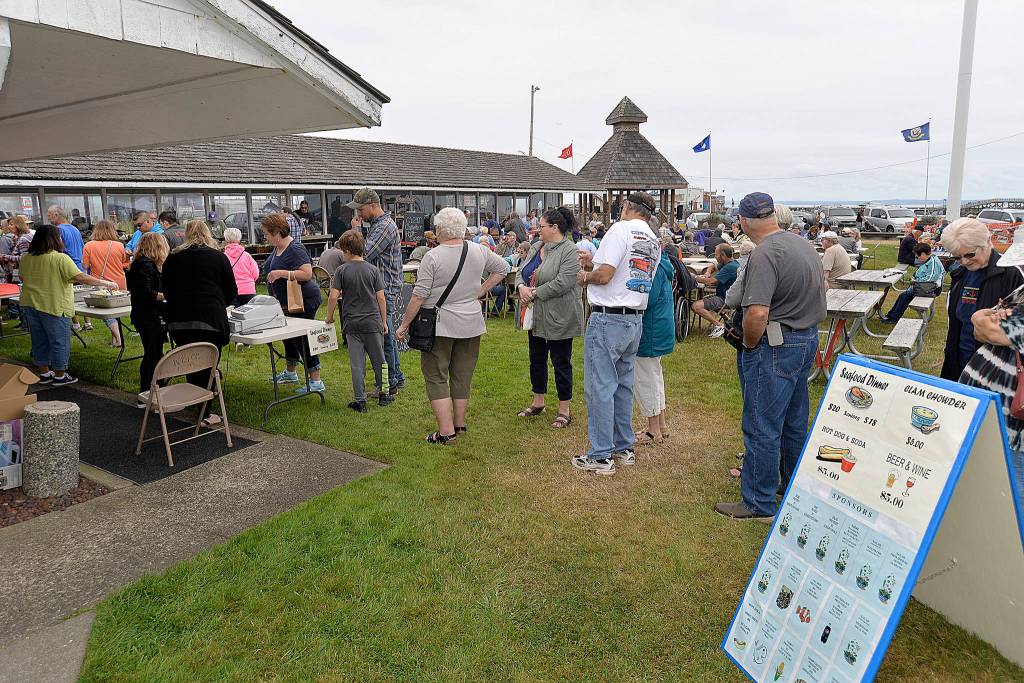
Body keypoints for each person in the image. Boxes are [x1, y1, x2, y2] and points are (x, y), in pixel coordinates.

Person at [715, 192, 826, 520]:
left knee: (761, 423)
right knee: (793, 421)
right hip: (807, 338)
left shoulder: (765, 253)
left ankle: (758, 502)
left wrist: (749, 344)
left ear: (744, 221)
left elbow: (757, 313)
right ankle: (789, 486)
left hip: (776, 343)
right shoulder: (803, 244)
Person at [395, 207, 509, 445]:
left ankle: (446, 432)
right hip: (471, 322)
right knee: (462, 375)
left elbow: (419, 295)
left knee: (436, 375)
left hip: (440, 324)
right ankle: (459, 424)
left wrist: (404, 324)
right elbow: (503, 269)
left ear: (441, 230)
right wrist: (479, 291)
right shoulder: (479, 250)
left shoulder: (433, 256)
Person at [573, 192, 661, 475]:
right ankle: (623, 448)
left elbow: (605, 276)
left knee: (600, 386)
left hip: (609, 318)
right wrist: (594, 262)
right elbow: (625, 272)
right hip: (634, 319)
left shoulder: (620, 229)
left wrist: (584, 275)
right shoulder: (652, 239)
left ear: (626, 208)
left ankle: (600, 456)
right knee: (623, 385)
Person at [962, 231, 1024, 500]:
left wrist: (981, 315)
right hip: (997, 414)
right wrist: (985, 318)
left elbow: (991, 330)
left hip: (1013, 427)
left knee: (1012, 495)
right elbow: (983, 328)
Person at [17, 224, 118, 386]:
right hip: (54, 304)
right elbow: (80, 277)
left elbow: (22, 277)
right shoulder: (59, 258)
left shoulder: (26, 258)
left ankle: (44, 373)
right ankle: (60, 375)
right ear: (56, 239)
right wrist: (105, 283)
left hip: (30, 304)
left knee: (39, 339)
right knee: (59, 341)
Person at [514, 207, 584, 429]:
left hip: (560, 316)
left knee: (561, 362)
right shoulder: (536, 247)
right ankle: (538, 402)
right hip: (536, 315)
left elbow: (564, 282)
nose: (537, 230)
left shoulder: (570, 251)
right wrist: (521, 286)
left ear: (554, 228)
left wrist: (533, 293)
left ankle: (564, 410)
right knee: (536, 358)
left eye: (541, 226)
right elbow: (520, 270)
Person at [162, 221, 237, 424]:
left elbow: (166, 289)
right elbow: (232, 291)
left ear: (186, 235)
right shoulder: (218, 257)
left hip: (179, 320)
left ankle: (195, 401)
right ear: (208, 233)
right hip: (210, 320)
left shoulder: (173, 257)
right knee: (208, 366)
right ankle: (205, 412)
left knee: (189, 362)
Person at [939, 218, 1024, 381]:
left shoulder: (1012, 273)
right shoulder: (961, 273)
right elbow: (955, 322)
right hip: (960, 359)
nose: (964, 261)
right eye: (957, 257)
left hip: (997, 370)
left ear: (987, 242)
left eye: (970, 254)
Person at [324, 230, 392, 412]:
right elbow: (381, 298)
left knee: (357, 363)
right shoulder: (373, 270)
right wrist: (384, 321)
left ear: (346, 250)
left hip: (352, 324)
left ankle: (360, 400)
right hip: (373, 322)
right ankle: (385, 392)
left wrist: (329, 317)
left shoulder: (341, 271)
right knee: (380, 361)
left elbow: (333, 297)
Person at [349, 188, 405, 396]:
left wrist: (354, 233)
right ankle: (396, 378)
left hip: (384, 290)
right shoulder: (378, 225)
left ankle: (388, 385)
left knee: (384, 339)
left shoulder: (383, 227)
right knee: (387, 336)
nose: (358, 215)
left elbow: (363, 253)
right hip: (384, 288)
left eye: (360, 210)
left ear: (373, 206)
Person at [260, 213, 324, 393]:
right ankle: (291, 371)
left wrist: (281, 273)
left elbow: (307, 273)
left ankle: (316, 380)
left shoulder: (295, 248)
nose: (264, 237)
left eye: (266, 233)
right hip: (285, 303)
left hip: (304, 300)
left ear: (277, 233)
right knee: (289, 337)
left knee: (303, 339)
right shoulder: (277, 247)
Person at [633, 247, 676, 444]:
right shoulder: (662, 263)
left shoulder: (653, 267)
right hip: (659, 325)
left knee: (645, 379)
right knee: (655, 375)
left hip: (651, 328)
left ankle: (653, 430)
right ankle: (661, 424)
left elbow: (646, 300)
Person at [127, 232, 168, 399]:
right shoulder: (146, 265)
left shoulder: (141, 263)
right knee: (153, 354)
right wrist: (166, 295)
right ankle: (148, 391)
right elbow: (146, 292)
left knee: (154, 353)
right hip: (148, 316)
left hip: (143, 314)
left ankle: (151, 389)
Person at [82, 219, 129, 347]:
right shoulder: (119, 245)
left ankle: (118, 338)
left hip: (101, 282)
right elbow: (123, 261)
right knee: (115, 310)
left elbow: (85, 265)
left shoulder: (89, 246)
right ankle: (115, 339)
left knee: (105, 312)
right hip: (119, 281)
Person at [880, 242, 944, 323]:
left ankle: (893, 318)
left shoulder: (934, 262)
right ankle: (890, 316)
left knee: (904, 296)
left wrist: (915, 281)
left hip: (931, 290)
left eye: (918, 255)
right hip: (924, 288)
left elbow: (930, 279)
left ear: (924, 253)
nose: (917, 257)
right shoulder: (929, 260)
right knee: (903, 295)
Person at [693, 243, 739, 337]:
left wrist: (695, 277)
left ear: (723, 255)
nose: (715, 257)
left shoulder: (729, 268)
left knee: (696, 306)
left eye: (716, 255)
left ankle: (719, 325)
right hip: (724, 296)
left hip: (725, 300)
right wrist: (708, 272)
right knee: (703, 300)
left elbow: (711, 282)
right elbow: (713, 266)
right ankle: (726, 322)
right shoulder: (729, 263)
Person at [222, 227, 260, 307]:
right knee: (249, 316)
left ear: (226, 239)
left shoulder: (223, 257)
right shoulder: (246, 255)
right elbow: (255, 273)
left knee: (233, 316)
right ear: (239, 239)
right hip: (248, 289)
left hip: (231, 290)